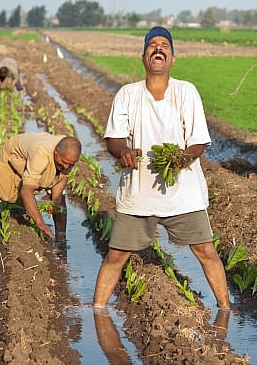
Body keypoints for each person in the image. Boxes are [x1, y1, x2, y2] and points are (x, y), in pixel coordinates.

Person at [92, 26, 231, 310]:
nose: (158, 48)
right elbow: (114, 139)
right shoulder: (127, 94)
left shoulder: (186, 92)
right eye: (152, 45)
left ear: (172, 58)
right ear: (144, 57)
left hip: (183, 192)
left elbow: (198, 142)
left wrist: (183, 158)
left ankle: (226, 308)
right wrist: (124, 153)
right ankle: (97, 309)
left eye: (164, 45)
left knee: (205, 250)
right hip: (138, 193)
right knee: (116, 255)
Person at [0, 132, 81, 240]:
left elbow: (62, 178)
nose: (67, 166)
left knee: (59, 201)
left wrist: (55, 201)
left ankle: (61, 238)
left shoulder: (68, 153)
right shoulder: (40, 153)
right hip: (14, 159)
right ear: (56, 152)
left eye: (71, 164)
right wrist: (41, 223)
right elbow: (26, 190)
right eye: (64, 162)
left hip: (37, 162)